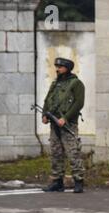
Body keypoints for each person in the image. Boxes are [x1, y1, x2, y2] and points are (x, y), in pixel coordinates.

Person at [42, 57, 86, 193]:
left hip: (68, 125)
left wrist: (65, 118)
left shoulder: (76, 83)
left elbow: (79, 103)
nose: (57, 69)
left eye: (60, 67)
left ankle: (78, 181)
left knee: (73, 152)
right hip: (54, 123)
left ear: (67, 68)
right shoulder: (55, 84)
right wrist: (44, 114)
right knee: (56, 153)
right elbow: (47, 99)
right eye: (56, 67)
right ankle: (57, 182)